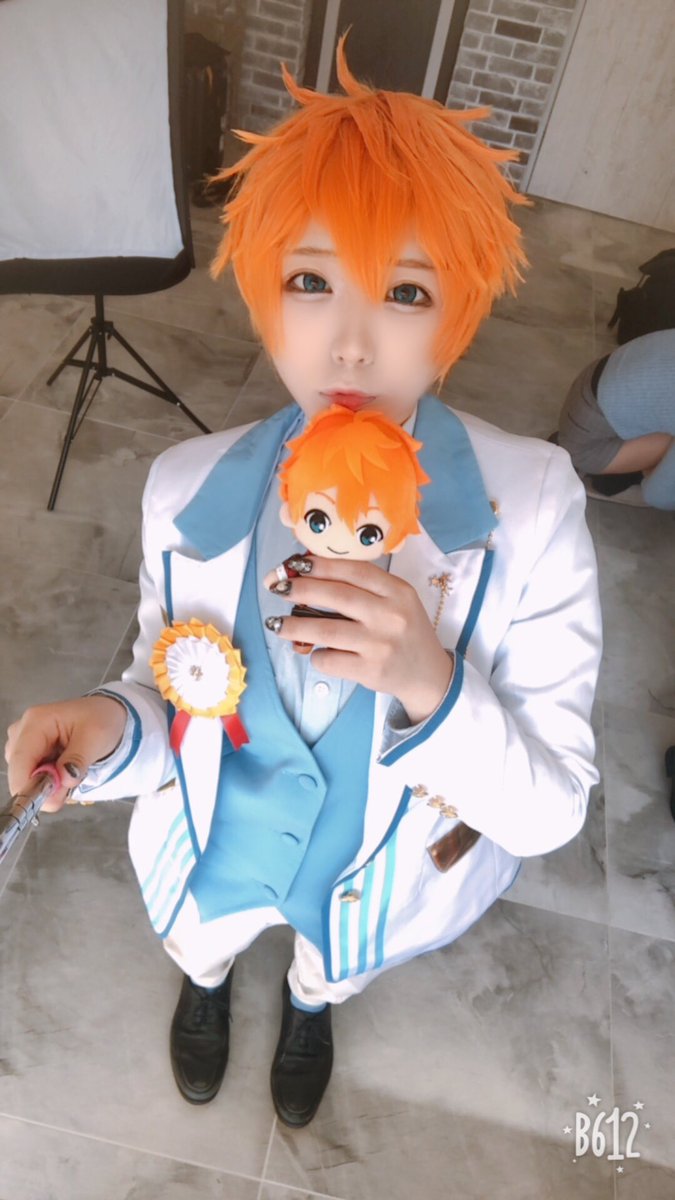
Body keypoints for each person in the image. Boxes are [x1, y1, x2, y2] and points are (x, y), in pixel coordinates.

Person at [4, 39, 602, 1129]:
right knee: (205, 937)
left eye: (406, 290)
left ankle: (313, 999)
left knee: (334, 961)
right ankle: (207, 978)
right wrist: (108, 728)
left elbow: (552, 807)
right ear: (262, 292)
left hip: (380, 881)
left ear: (459, 308)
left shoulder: (536, 505)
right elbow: (175, 688)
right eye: (310, 281)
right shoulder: (184, 487)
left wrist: (430, 682)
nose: (351, 344)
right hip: (210, 853)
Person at [556, 329, 675, 508]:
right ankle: (616, 474)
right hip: (585, 447)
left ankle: (628, 466)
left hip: (588, 390)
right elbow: (656, 496)